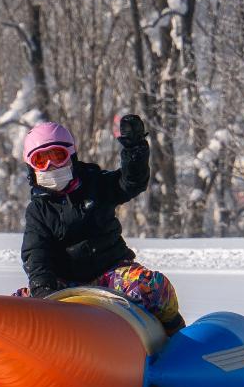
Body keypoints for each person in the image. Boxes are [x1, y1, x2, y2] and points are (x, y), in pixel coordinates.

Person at [19, 115, 184, 334]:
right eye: (42, 161)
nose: (51, 166)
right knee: (19, 304)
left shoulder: (96, 184)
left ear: (71, 156)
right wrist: (43, 291)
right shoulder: (39, 211)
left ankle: (177, 338)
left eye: (58, 156)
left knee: (152, 286)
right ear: (32, 167)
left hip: (111, 275)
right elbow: (35, 254)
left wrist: (134, 150)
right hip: (66, 286)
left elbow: (131, 182)